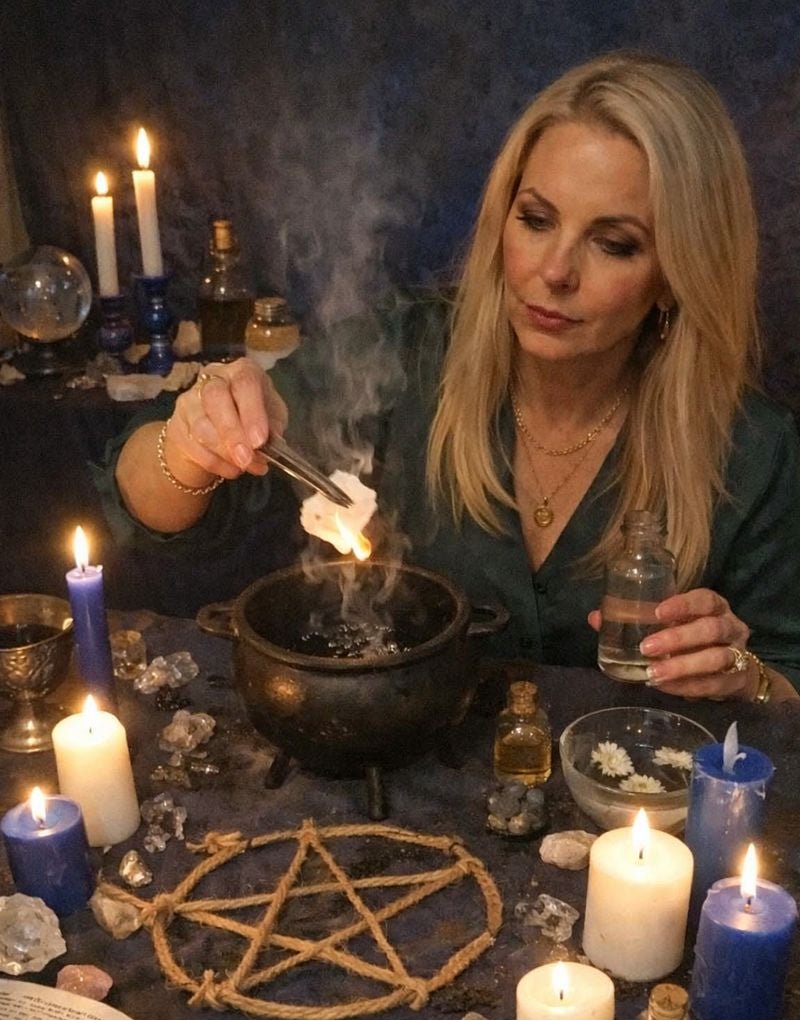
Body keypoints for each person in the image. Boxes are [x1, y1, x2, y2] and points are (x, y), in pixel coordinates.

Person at [105, 50, 800, 704]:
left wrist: (748, 678)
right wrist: (193, 439)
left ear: (676, 274)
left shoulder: (753, 450)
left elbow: (788, 678)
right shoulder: (407, 351)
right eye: (536, 220)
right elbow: (142, 488)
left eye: (614, 244)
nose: (554, 271)